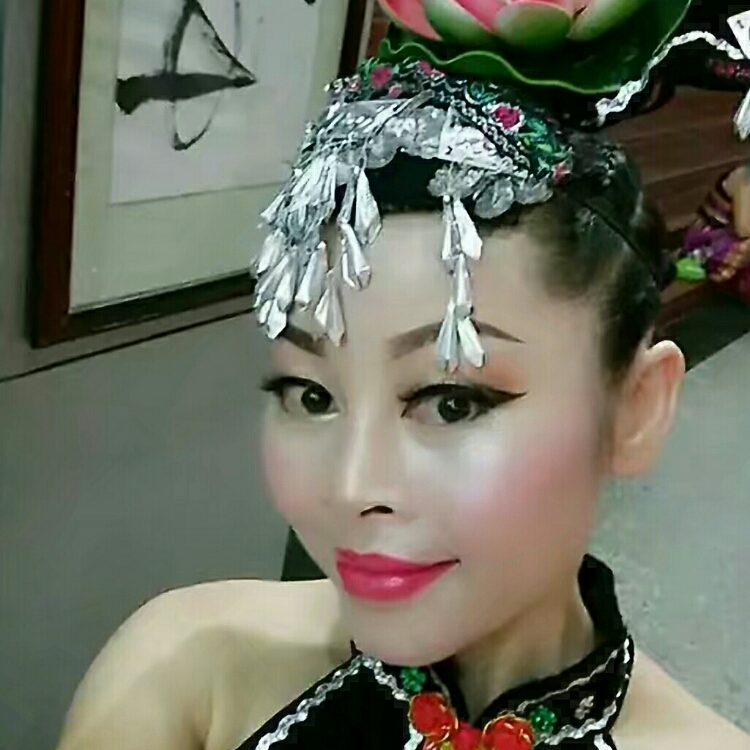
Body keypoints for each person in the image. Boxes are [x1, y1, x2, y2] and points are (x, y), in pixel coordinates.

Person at [56, 8, 750, 750]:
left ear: (636, 408)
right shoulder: (184, 671)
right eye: (311, 396)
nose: (351, 486)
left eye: (450, 403)